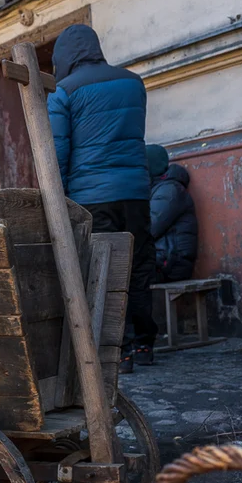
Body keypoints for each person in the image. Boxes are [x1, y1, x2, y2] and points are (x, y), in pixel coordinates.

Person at [48, 24, 157, 373]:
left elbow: (57, 152)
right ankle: (145, 345)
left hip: (91, 197)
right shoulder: (132, 83)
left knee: (103, 272)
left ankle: (119, 352)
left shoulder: (63, 92)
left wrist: (60, 199)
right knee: (138, 267)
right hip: (136, 193)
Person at [151, 161, 198, 283]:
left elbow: (150, 228)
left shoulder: (170, 190)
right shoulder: (159, 189)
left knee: (119, 273)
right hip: (163, 261)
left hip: (170, 264)